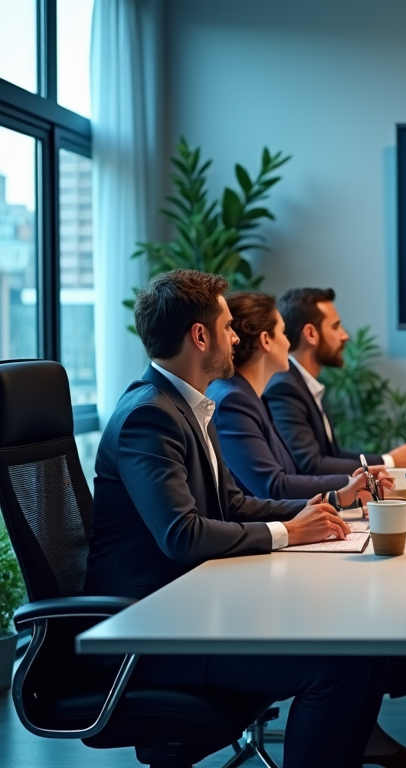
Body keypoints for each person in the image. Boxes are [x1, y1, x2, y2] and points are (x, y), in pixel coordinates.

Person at [86, 269, 390, 768]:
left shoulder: (187, 407)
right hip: (150, 635)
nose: (236, 336)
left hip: (191, 611)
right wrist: (289, 532)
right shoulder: (149, 415)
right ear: (199, 336)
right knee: (341, 664)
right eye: (228, 326)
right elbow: (181, 536)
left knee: (362, 645)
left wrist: (326, 507)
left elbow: (232, 504)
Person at [207, 291, 406, 767]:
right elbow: (264, 487)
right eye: (283, 332)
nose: (290, 342)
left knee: (367, 638)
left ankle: (361, 743)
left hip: (257, 548)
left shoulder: (247, 398)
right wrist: (315, 513)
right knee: (355, 645)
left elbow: (247, 494)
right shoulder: (231, 400)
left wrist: (334, 500)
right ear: (268, 338)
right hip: (221, 588)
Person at [264, 287, 406, 476]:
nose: (345, 335)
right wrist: (390, 462)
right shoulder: (285, 387)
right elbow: (312, 465)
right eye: (335, 327)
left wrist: (387, 461)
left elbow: (333, 455)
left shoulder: (304, 383)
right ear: (310, 334)